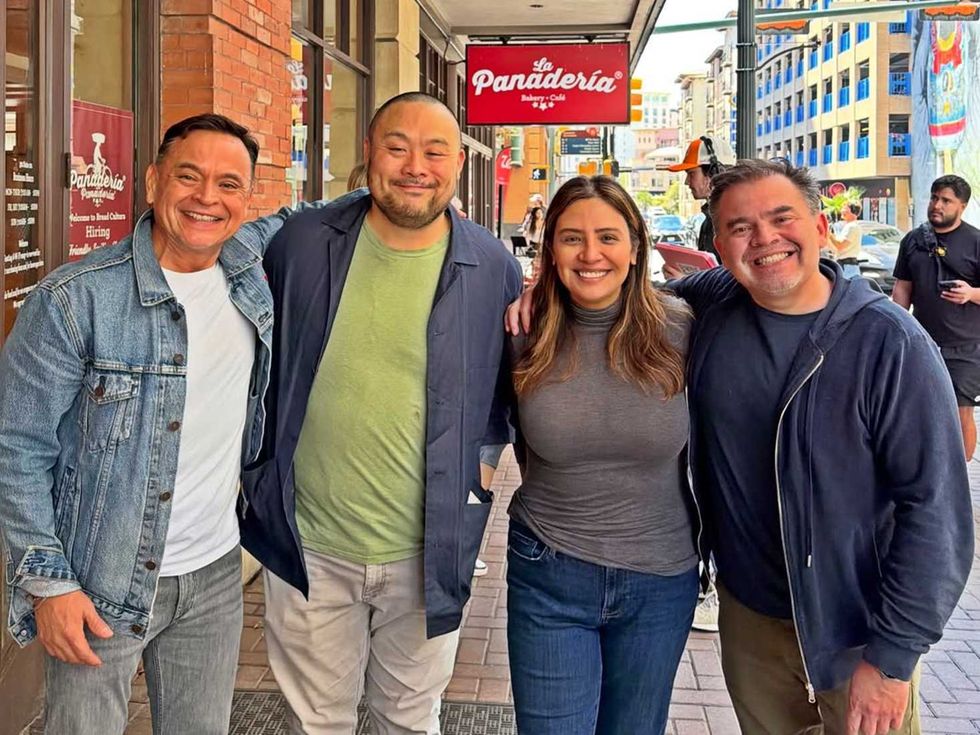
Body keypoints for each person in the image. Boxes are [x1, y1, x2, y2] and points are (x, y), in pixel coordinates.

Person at [508, 159, 973, 735]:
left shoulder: (891, 344)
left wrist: (895, 657)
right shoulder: (710, 309)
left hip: (853, 628)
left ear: (820, 226)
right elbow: (623, 298)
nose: (765, 240)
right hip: (749, 616)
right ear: (720, 248)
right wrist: (541, 298)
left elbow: (937, 513)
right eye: (740, 228)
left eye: (782, 218)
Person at [0, 113, 306, 734]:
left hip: (216, 573)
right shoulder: (74, 299)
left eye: (228, 185)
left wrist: (402, 186)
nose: (206, 198)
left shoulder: (246, 268)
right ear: (151, 181)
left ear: (247, 199)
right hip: (99, 580)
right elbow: (15, 446)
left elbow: (312, 211)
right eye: (188, 177)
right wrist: (48, 583)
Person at [240, 92, 523, 734]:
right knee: (317, 723)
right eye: (397, 147)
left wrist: (477, 479)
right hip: (309, 544)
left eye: (434, 151)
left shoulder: (493, 268)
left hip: (429, 550)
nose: (414, 166)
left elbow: (500, 402)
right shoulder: (303, 243)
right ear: (368, 153)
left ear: (457, 163)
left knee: (408, 721)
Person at [505, 175, 699, 735]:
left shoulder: (684, 330)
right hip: (549, 571)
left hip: (661, 581)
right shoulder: (522, 331)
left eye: (609, 237)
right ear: (550, 249)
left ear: (636, 247)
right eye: (571, 238)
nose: (591, 254)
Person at [892, 174, 980, 461]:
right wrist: (896, 328)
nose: (936, 205)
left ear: (962, 206)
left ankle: (960, 483)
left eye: (946, 200)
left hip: (965, 345)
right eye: (934, 198)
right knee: (920, 410)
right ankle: (927, 471)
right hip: (922, 341)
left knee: (959, 411)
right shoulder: (913, 241)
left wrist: (971, 293)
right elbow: (903, 288)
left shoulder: (975, 241)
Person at [667, 135, 735, 259]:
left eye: (691, 174)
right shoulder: (709, 221)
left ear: (714, 173)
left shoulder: (735, 222)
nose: (686, 182)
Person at [830, 202, 864, 278]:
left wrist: (828, 234)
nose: (842, 211)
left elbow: (840, 245)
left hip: (847, 268)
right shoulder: (848, 226)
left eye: (845, 209)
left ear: (853, 212)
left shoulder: (852, 227)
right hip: (844, 266)